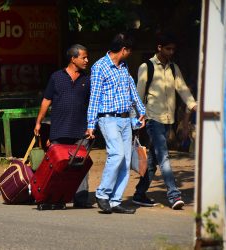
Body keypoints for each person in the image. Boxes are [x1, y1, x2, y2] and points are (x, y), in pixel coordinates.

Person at [132, 32, 197, 210]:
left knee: (153, 159)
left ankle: (139, 194)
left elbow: (182, 89)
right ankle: (174, 195)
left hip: (168, 120)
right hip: (153, 118)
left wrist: (193, 105)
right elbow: (138, 94)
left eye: (173, 49)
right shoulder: (147, 67)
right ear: (159, 47)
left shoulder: (174, 68)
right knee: (164, 156)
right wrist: (138, 118)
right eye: (168, 48)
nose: (171, 52)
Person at [87, 32, 146, 214]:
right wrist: (90, 124)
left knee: (126, 160)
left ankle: (115, 200)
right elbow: (94, 97)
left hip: (126, 119)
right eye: (129, 50)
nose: (130, 53)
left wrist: (141, 111)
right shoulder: (99, 67)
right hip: (108, 119)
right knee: (117, 155)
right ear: (124, 49)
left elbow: (131, 89)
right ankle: (102, 193)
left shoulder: (123, 66)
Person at [34, 44, 92, 208]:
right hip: (59, 129)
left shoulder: (87, 79)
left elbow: (92, 104)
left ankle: (80, 199)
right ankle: (54, 197)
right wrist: (39, 122)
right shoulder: (56, 77)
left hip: (81, 130)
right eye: (83, 57)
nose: (87, 60)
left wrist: (91, 126)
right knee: (57, 167)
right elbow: (46, 100)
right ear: (73, 59)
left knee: (80, 166)